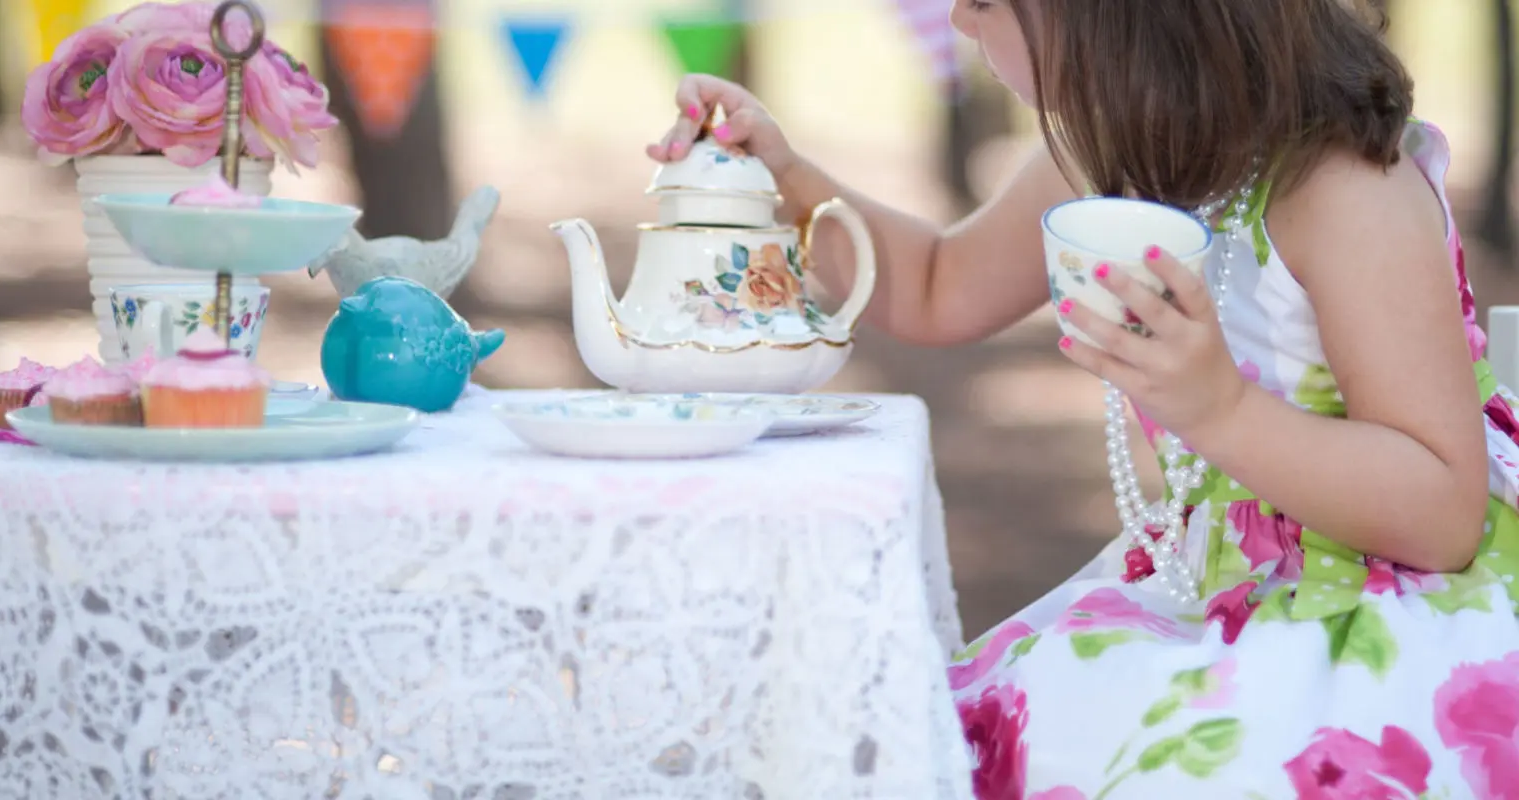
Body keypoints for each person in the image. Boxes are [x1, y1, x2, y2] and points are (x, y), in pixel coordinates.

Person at [648, 0, 1519, 797]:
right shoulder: (1116, 159)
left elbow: (1443, 514)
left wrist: (1221, 411)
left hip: (1394, 614)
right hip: (1219, 593)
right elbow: (934, 285)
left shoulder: (1343, 190)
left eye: (987, 2)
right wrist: (787, 180)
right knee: (945, 743)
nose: (957, 20)